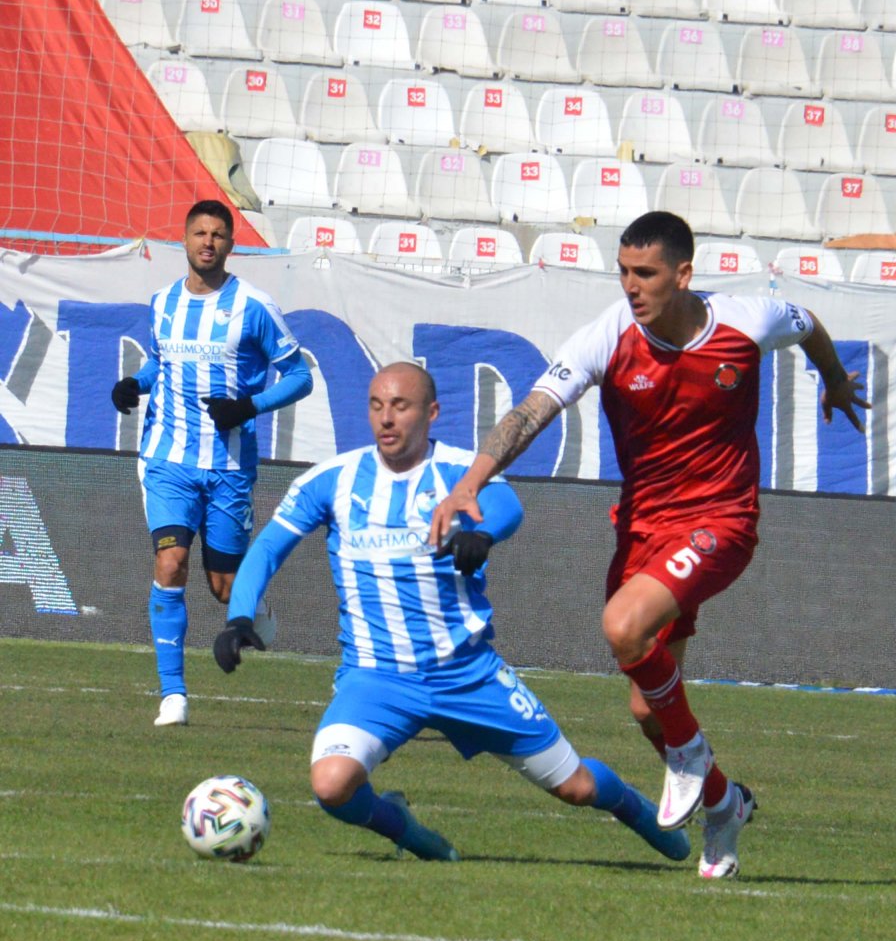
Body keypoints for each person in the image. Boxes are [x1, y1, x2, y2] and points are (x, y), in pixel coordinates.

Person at [429, 210, 871, 880]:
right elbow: (531, 411)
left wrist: (834, 379)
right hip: (644, 528)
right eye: (624, 273)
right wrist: (471, 483)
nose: (631, 287)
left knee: (622, 626)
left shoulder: (747, 321)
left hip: (722, 519)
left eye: (646, 273)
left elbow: (807, 323)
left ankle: (690, 757)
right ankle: (725, 803)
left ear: (683, 274)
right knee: (646, 708)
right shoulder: (607, 337)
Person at [212, 361, 691, 866]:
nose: (386, 419)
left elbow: (508, 505)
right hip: (377, 679)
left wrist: (482, 535)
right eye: (377, 406)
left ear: (432, 412)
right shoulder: (333, 480)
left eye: (401, 406)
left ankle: (645, 817)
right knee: (332, 786)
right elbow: (266, 548)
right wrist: (240, 618)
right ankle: (415, 836)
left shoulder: (464, 472)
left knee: (575, 787)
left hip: (468, 675)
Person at [110, 199, 313, 726]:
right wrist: (136, 382)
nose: (208, 242)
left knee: (224, 588)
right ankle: (172, 695)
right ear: (185, 240)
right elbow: (162, 360)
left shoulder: (254, 306)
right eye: (199, 233)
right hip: (168, 460)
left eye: (218, 234)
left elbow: (299, 376)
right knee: (170, 563)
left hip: (228, 466)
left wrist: (248, 405)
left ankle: (252, 606)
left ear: (230, 244)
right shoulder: (162, 303)